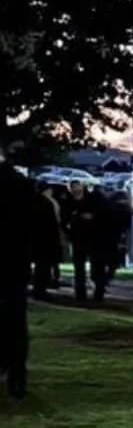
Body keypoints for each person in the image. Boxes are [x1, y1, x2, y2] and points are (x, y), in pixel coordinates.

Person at [0, 144, 52, 398]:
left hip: (12, 262)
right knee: (15, 320)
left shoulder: (20, 186)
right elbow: (41, 226)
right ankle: (16, 373)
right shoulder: (23, 187)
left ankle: (10, 366)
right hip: (15, 264)